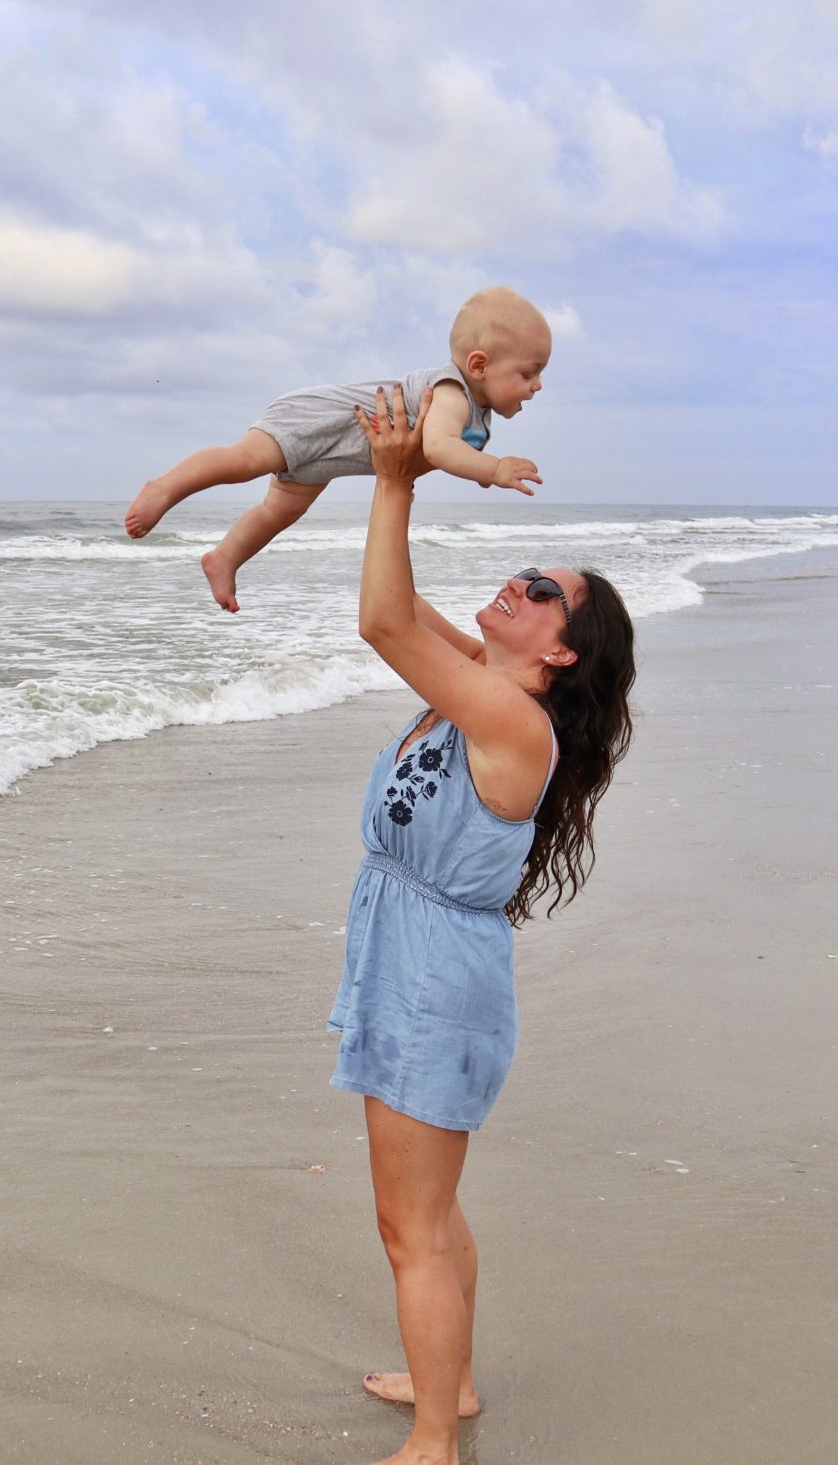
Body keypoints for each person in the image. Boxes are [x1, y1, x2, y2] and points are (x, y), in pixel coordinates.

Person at [330, 383, 636, 1464]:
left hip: (431, 981)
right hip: (410, 959)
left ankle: (432, 1441)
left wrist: (393, 481)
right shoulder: (475, 677)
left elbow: (375, 620)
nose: (518, 580)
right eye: (525, 569)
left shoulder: (511, 717)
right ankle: (443, 1385)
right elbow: (398, 610)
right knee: (429, 1212)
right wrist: (394, 475)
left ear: (562, 650)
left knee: (409, 1224)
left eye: (542, 588)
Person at [123, 287, 551, 611]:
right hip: (320, 420)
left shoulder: (478, 410)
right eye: (528, 373)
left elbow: (447, 453)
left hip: (336, 456)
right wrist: (491, 469)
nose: (537, 385)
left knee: (280, 511)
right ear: (479, 365)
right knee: (246, 461)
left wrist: (477, 469)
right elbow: (439, 448)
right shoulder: (453, 392)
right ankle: (165, 488)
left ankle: (225, 558)